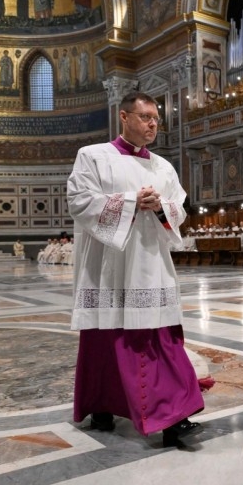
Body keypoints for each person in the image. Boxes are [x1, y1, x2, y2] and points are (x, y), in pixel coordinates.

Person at [67, 91, 204, 448]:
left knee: (161, 340)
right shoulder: (93, 156)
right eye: (145, 117)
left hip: (151, 264)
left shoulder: (163, 167)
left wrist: (161, 207)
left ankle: (174, 416)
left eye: (156, 119)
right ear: (124, 117)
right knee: (104, 340)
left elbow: (179, 210)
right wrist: (130, 201)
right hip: (108, 267)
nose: (153, 124)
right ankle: (102, 405)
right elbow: (79, 202)